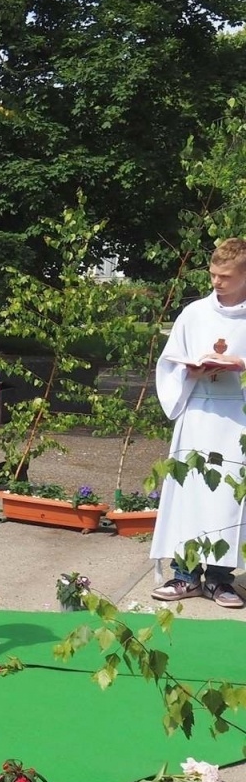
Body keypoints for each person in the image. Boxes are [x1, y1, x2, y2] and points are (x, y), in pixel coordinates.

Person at [150, 238, 246, 607]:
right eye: (212, 274)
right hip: (199, 413)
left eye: (225, 276)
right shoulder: (194, 314)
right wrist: (190, 369)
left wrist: (240, 365)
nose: (216, 282)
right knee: (189, 492)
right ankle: (185, 575)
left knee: (229, 499)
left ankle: (220, 580)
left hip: (237, 415)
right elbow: (170, 360)